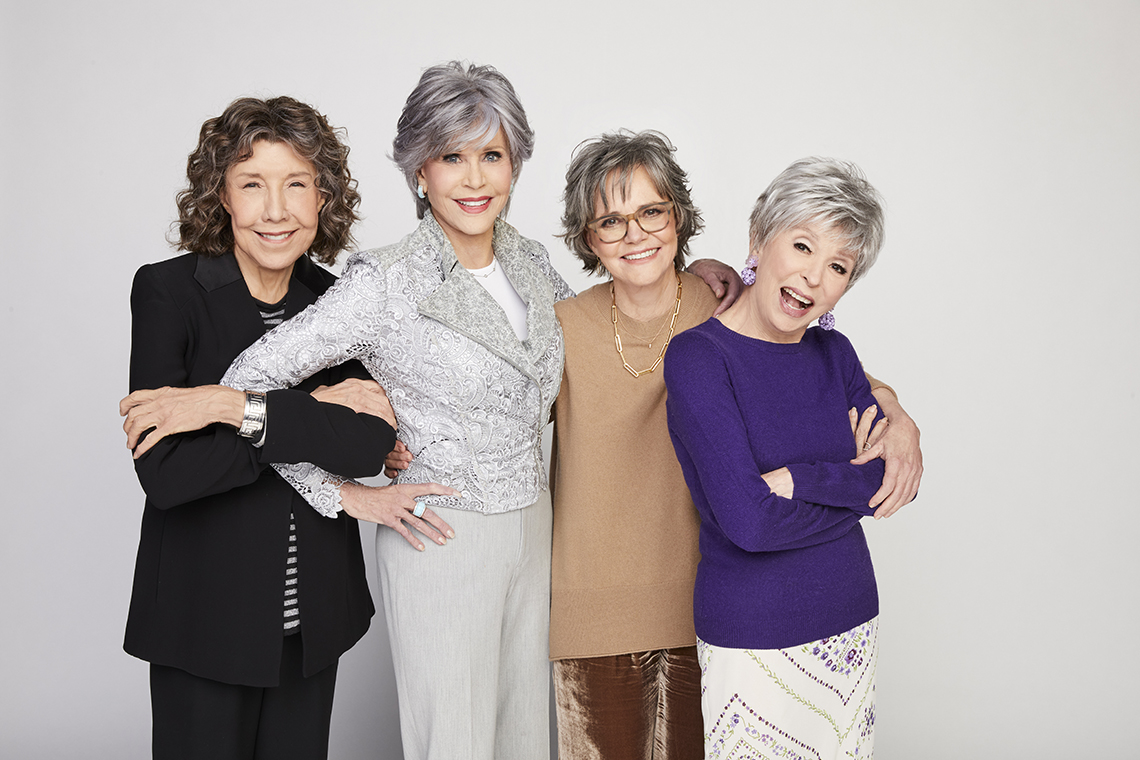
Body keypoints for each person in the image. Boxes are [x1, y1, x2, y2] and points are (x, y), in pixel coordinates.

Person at [219, 62, 568, 760]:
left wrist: (711, 286)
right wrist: (343, 494)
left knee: (530, 739)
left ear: (515, 165)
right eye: (451, 158)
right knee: (456, 745)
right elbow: (246, 380)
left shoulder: (533, 264)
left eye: (491, 156)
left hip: (538, 530)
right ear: (419, 171)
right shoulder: (385, 279)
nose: (474, 180)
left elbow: (604, 342)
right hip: (443, 538)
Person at [549, 135, 921, 759]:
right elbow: (750, 516)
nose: (635, 233)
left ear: (678, 218)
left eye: (652, 212)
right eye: (611, 220)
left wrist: (896, 420)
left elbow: (856, 435)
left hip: (747, 607)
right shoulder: (564, 329)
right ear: (587, 236)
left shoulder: (723, 305)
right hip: (619, 613)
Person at [118, 96, 454, 759]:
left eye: (296, 184)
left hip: (312, 625)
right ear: (222, 197)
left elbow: (366, 445)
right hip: (204, 622)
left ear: (324, 196)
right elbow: (169, 474)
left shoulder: (337, 298)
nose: (277, 210)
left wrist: (223, 407)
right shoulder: (168, 293)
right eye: (253, 185)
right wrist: (313, 411)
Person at [663, 157, 902, 758]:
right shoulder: (699, 358)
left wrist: (799, 480)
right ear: (758, 238)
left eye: (839, 266)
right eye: (802, 246)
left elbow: (891, 481)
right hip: (753, 632)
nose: (813, 277)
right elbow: (749, 523)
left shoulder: (836, 353)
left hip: (849, 619)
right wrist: (852, 493)